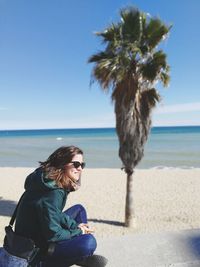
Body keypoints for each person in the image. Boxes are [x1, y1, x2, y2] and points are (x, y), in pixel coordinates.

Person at [14, 146, 108, 267]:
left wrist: (75, 226)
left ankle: (74, 252)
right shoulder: (53, 192)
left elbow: (55, 213)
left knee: (79, 209)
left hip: (40, 232)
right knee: (89, 243)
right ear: (62, 163)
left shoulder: (47, 179)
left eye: (82, 165)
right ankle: (51, 261)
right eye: (76, 164)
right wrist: (78, 231)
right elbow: (53, 234)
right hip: (35, 250)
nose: (80, 169)